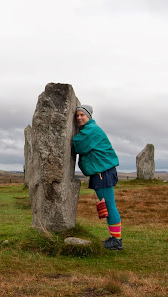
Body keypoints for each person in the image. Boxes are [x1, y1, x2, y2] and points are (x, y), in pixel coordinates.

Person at [72, 104, 123, 251]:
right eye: (77, 116)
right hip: (101, 171)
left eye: (82, 115)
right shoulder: (87, 130)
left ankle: (116, 241)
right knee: (106, 204)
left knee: (108, 205)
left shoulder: (91, 130)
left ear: (89, 116)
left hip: (103, 172)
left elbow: (78, 146)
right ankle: (115, 238)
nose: (79, 118)